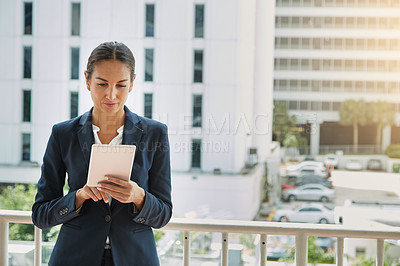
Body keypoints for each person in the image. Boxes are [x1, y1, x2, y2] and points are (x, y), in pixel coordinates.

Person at [32, 41, 172, 266]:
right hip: (74, 257)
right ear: (87, 80)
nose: (111, 94)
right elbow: (40, 215)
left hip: (135, 258)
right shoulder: (63, 134)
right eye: (102, 83)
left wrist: (138, 197)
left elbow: (164, 214)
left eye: (121, 85)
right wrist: (78, 197)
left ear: (132, 83)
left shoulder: (155, 133)